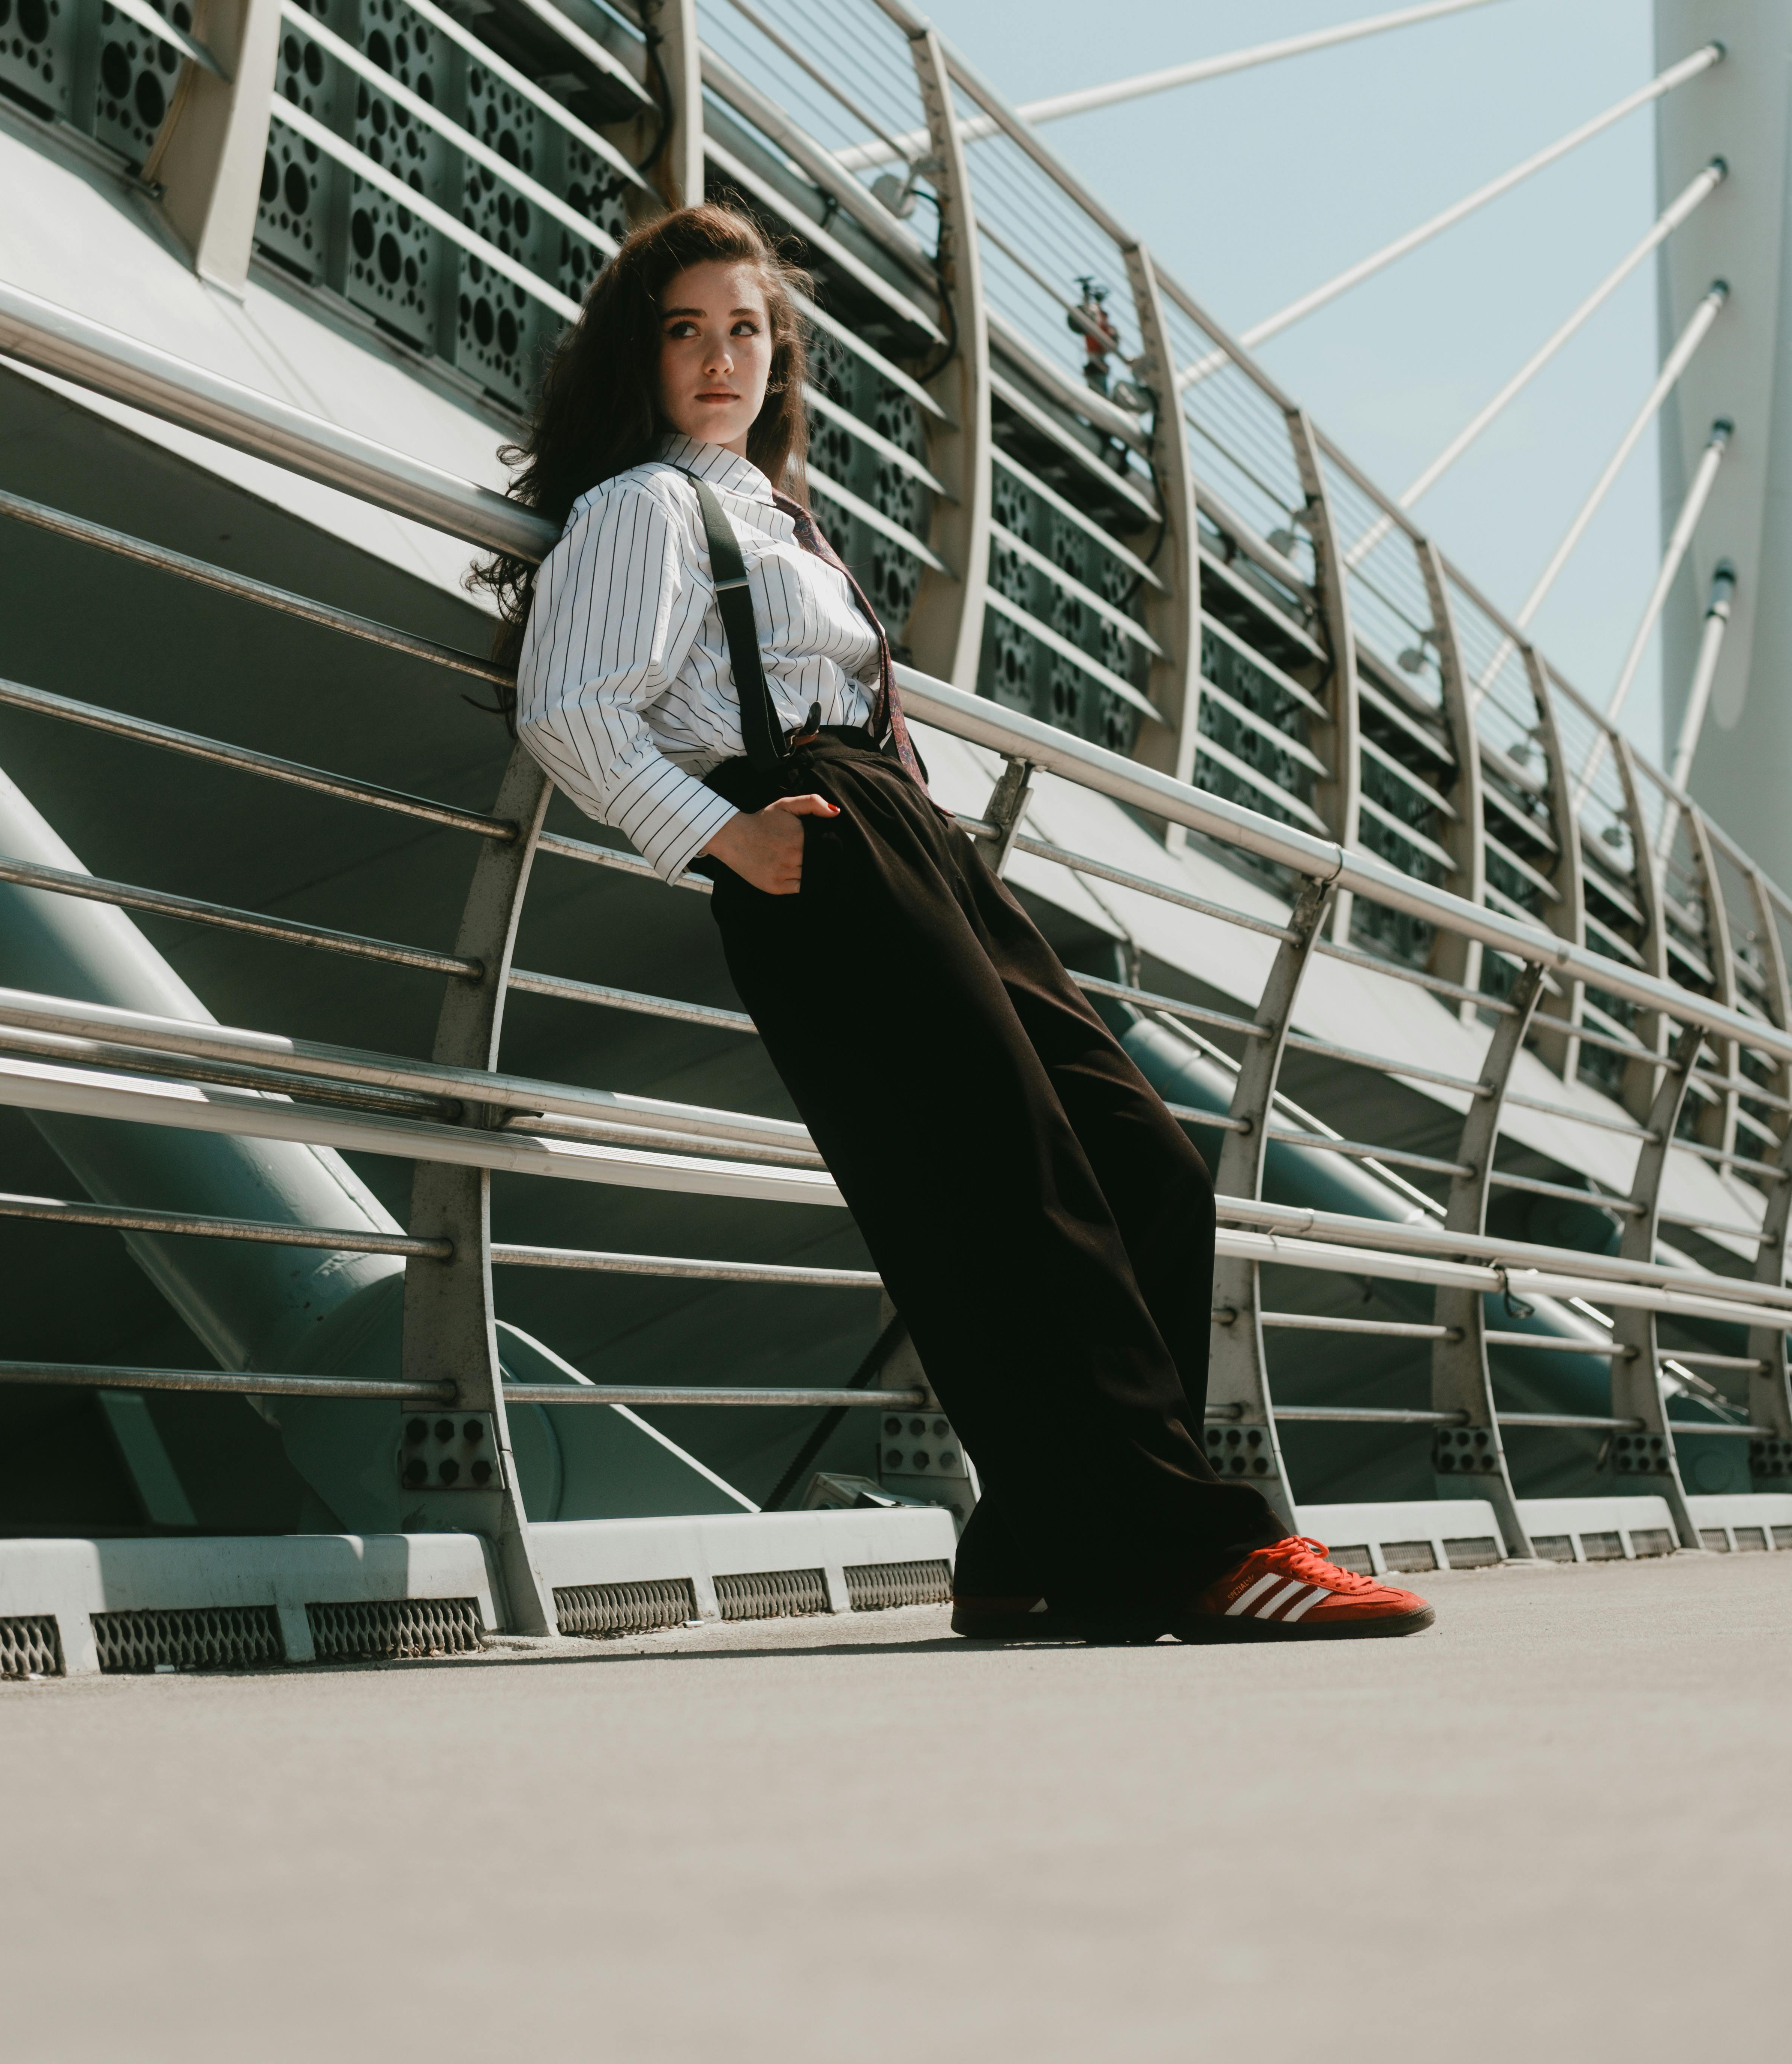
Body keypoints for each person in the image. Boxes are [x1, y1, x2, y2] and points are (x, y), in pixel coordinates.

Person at [497, 198, 1432, 1644]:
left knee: (1145, 1164)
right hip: (811, 843)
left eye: (748, 330)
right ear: (642, 357)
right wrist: (728, 839)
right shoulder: (643, 507)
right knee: (1021, 1190)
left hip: (908, 838)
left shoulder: (774, 512)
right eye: (687, 332)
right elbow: (569, 712)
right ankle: (1190, 1553)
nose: (722, 356)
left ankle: (1038, 1540)